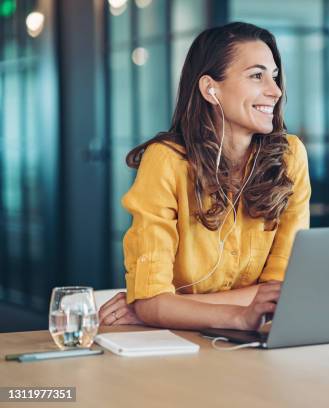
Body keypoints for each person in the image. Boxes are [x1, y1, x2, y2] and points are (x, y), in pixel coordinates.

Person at [98, 22, 310, 331]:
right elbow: (152, 299)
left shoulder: (290, 157)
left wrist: (165, 308)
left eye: (274, 76)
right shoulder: (166, 161)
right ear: (211, 88)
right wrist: (237, 312)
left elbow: (281, 294)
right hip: (179, 348)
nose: (275, 91)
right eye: (256, 76)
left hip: (253, 346)